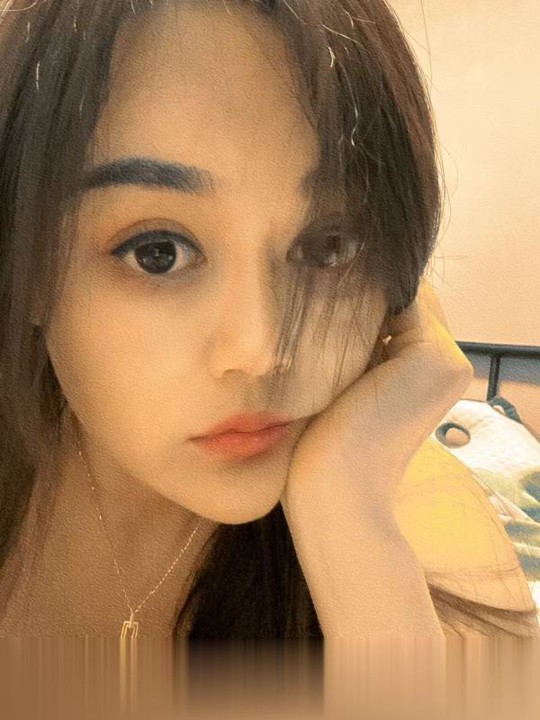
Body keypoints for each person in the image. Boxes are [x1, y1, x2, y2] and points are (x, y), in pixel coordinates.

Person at [0, 0, 537, 639]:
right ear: (27, 270)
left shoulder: (429, 521)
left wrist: (349, 522)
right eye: (157, 252)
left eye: (329, 246)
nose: (259, 351)